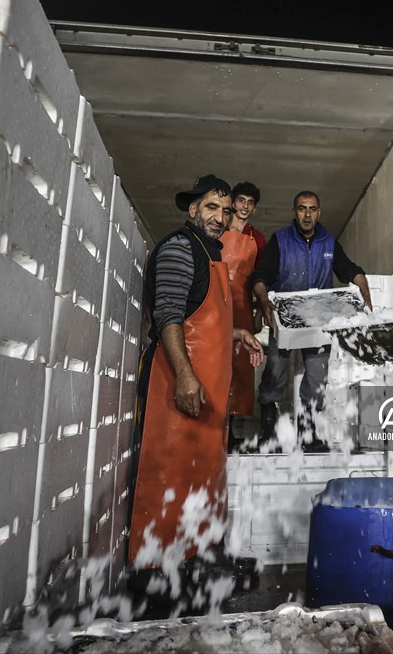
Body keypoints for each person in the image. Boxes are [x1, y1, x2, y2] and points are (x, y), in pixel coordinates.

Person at [128, 174, 263, 602]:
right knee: (168, 476)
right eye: (211, 207)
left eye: (225, 210)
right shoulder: (179, 248)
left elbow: (201, 317)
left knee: (199, 477)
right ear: (192, 209)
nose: (220, 217)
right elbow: (169, 315)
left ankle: (194, 563)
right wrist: (185, 377)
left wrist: (237, 333)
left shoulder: (211, 253)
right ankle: (155, 578)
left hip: (207, 394)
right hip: (177, 387)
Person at [251, 191, 373, 452]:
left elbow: (348, 269)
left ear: (319, 212)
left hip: (319, 319)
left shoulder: (328, 241)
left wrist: (363, 285)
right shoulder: (280, 240)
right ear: (294, 211)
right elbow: (261, 276)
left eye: (312, 209)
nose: (307, 214)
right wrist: (263, 300)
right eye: (302, 208)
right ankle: (269, 433)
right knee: (275, 372)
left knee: (317, 377)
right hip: (284, 318)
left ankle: (307, 435)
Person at [219, 183, 261, 448]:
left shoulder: (258, 239)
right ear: (233, 203)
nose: (245, 206)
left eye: (250, 202)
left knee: (239, 369)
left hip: (243, 306)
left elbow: (261, 278)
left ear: (254, 208)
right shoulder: (217, 228)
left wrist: (259, 312)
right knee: (215, 363)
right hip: (216, 303)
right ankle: (214, 429)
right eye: (241, 200)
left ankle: (230, 431)